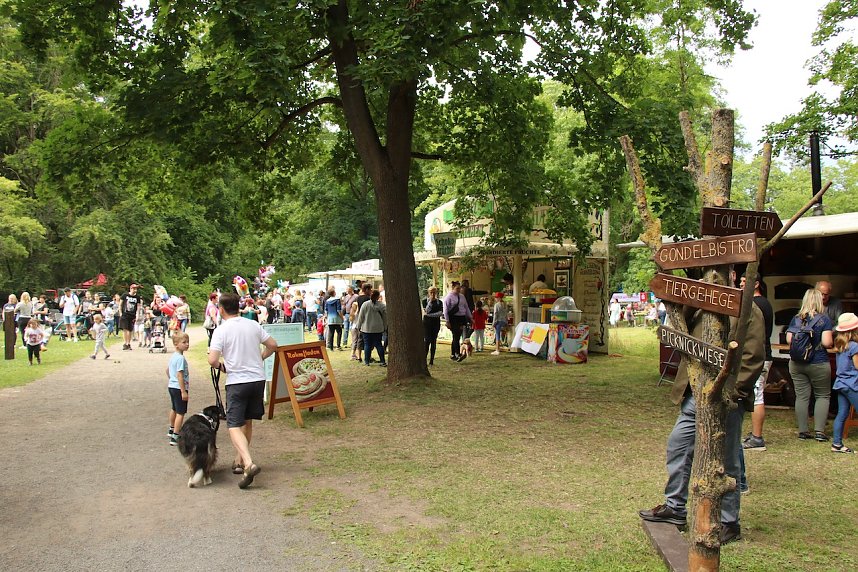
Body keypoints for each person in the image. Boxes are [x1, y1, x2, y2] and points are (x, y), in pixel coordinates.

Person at [639, 303, 766, 544]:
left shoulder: (748, 309)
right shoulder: (700, 303)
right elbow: (681, 331)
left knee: (727, 460)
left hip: (724, 397)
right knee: (678, 445)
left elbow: (753, 357)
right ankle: (675, 507)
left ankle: (729, 522)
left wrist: (732, 392)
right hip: (694, 394)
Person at [207, 292, 278, 489]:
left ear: (221, 310)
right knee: (247, 421)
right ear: (238, 307)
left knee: (233, 423)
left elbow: (212, 359)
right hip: (257, 379)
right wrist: (260, 359)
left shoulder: (221, 330)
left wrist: (223, 367)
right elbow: (273, 345)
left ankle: (247, 462)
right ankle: (238, 460)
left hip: (237, 381)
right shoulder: (253, 324)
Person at [787, 288, 834, 441]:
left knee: (801, 396)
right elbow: (827, 342)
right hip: (818, 361)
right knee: (822, 395)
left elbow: (789, 340)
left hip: (797, 362)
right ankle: (819, 432)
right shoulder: (824, 319)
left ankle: (803, 431)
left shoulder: (796, 318)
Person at [741, 273, 773, 452]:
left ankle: (757, 438)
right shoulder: (763, 303)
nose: (741, 284)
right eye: (741, 281)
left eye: (745, 281)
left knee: (757, 395)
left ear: (756, 284)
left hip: (759, 356)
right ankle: (755, 434)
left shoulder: (757, 304)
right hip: (760, 355)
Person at [831, 313, 858, 453]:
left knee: (842, 414)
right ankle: (836, 444)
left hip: (840, 383)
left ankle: (837, 444)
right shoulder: (854, 346)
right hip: (852, 385)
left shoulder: (840, 344)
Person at [167, 331, 191, 446]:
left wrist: (171, 379)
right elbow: (180, 374)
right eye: (184, 342)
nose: (187, 344)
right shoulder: (180, 358)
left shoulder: (173, 356)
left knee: (174, 408)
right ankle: (176, 435)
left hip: (172, 386)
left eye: (187, 342)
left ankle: (171, 429)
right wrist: (183, 391)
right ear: (176, 344)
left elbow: (167, 370)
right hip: (179, 388)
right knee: (181, 412)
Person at [355, 289, 387, 367]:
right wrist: (385, 327)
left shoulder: (365, 305)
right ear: (378, 296)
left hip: (366, 328)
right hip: (378, 328)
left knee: (367, 345)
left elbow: (361, 317)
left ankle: (367, 361)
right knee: (378, 344)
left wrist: (358, 326)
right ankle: (382, 361)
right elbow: (385, 318)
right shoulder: (382, 305)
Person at [444, 281, 473, 362]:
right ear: (453, 288)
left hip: (461, 317)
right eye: (457, 288)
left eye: (459, 288)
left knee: (457, 335)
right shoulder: (448, 297)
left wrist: (470, 317)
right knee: (455, 335)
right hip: (453, 318)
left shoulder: (462, 296)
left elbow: (466, 307)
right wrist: (447, 321)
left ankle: (453, 354)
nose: (459, 290)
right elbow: (445, 310)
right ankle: (457, 353)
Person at [422, 286, 443, 365]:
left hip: (435, 324)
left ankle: (431, 360)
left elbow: (440, 313)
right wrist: (430, 302)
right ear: (428, 293)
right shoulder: (425, 301)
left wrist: (429, 315)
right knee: (426, 341)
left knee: (433, 342)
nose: (433, 294)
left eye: (434, 292)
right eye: (431, 292)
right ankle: (424, 359)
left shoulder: (439, 302)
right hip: (426, 324)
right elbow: (426, 311)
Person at [119, 283, 141, 351]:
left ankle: (128, 343)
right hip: (125, 314)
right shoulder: (125, 295)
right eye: (134, 289)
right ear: (131, 289)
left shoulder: (137, 297)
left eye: (136, 289)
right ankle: (126, 343)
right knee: (125, 329)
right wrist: (120, 313)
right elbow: (120, 304)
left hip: (132, 315)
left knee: (130, 330)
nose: (135, 290)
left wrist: (137, 314)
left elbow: (138, 307)